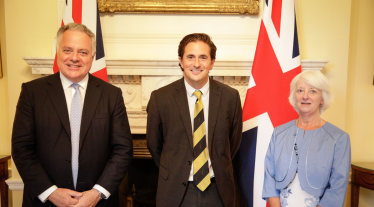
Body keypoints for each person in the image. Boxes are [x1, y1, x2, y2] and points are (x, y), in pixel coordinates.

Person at [12, 23, 133, 206]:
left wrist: (97, 193)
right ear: (58, 52)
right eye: (68, 50)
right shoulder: (32, 92)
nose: (74, 58)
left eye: (83, 52)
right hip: (45, 201)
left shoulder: (112, 95)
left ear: (92, 57)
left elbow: (123, 150)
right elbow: (22, 149)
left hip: (97, 202)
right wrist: (51, 193)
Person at [146, 33, 243, 207]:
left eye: (203, 57)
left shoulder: (231, 97)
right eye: (190, 57)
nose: (196, 64)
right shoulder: (160, 98)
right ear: (181, 61)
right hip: (175, 192)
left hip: (218, 191)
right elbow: (154, 145)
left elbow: (233, 144)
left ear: (212, 62)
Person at [262, 70, 351, 207]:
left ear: (322, 99)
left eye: (312, 91)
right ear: (294, 96)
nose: (305, 96)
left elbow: (338, 187)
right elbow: (270, 177)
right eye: (300, 90)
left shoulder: (339, 138)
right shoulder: (279, 133)